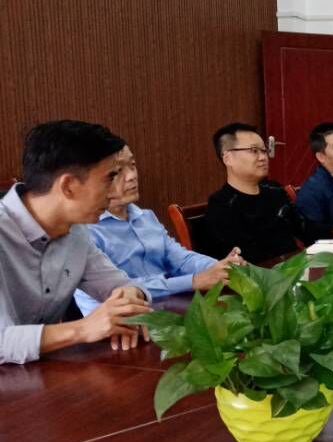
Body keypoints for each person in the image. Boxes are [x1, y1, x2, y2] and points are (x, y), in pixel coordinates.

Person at [0, 120, 153, 363]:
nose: (114, 192)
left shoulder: (75, 230)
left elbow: (119, 284)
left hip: (40, 374)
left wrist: (128, 299)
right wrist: (83, 329)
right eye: (109, 178)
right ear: (69, 186)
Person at [75, 145, 243, 315]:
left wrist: (220, 267)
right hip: (119, 320)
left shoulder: (146, 217)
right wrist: (193, 281)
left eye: (132, 165)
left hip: (168, 307)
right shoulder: (84, 231)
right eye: (118, 171)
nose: (132, 176)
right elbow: (121, 289)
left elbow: (181, 259)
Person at [206, 122, 319, 263]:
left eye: (264, 151)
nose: (263, 157)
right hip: (265, 274)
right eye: (254, 150)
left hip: (297, 267)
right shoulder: (221, 205)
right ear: (228, 158)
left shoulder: (274, 190)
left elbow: (303, 228)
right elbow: (241, 260)